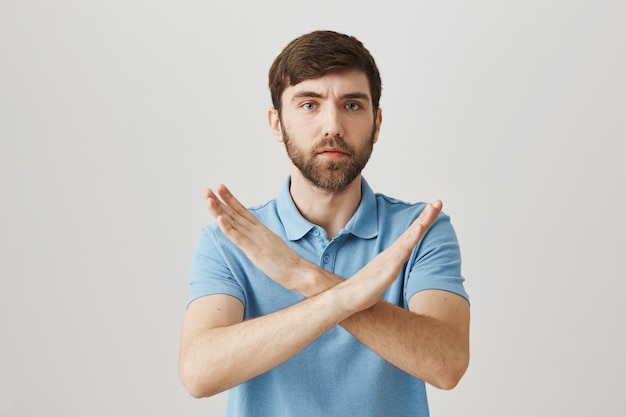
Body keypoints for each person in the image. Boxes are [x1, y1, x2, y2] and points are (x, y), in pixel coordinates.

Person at [179, 30, 470, 417]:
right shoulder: (232, 238)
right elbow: (199, 373)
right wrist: (343, 298)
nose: (331, 125)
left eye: (352, 105)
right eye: (309, 105)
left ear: (377, 123)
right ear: (277, 123)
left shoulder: (420, 229)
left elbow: (447, 364)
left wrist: (306, 278)